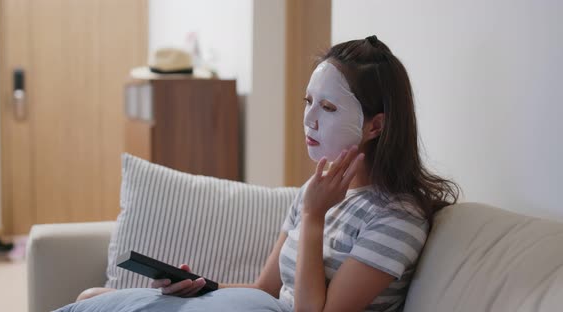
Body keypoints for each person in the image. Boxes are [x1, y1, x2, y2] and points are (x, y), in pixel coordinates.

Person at [69, 35, 459, 312]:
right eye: (308, 102)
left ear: (376, 126)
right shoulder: (315, 189)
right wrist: (201, 287)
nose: (309, 119)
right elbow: (267, 289)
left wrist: (313, 216)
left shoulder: (396, 216)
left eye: (328, 107)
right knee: (90, 297)